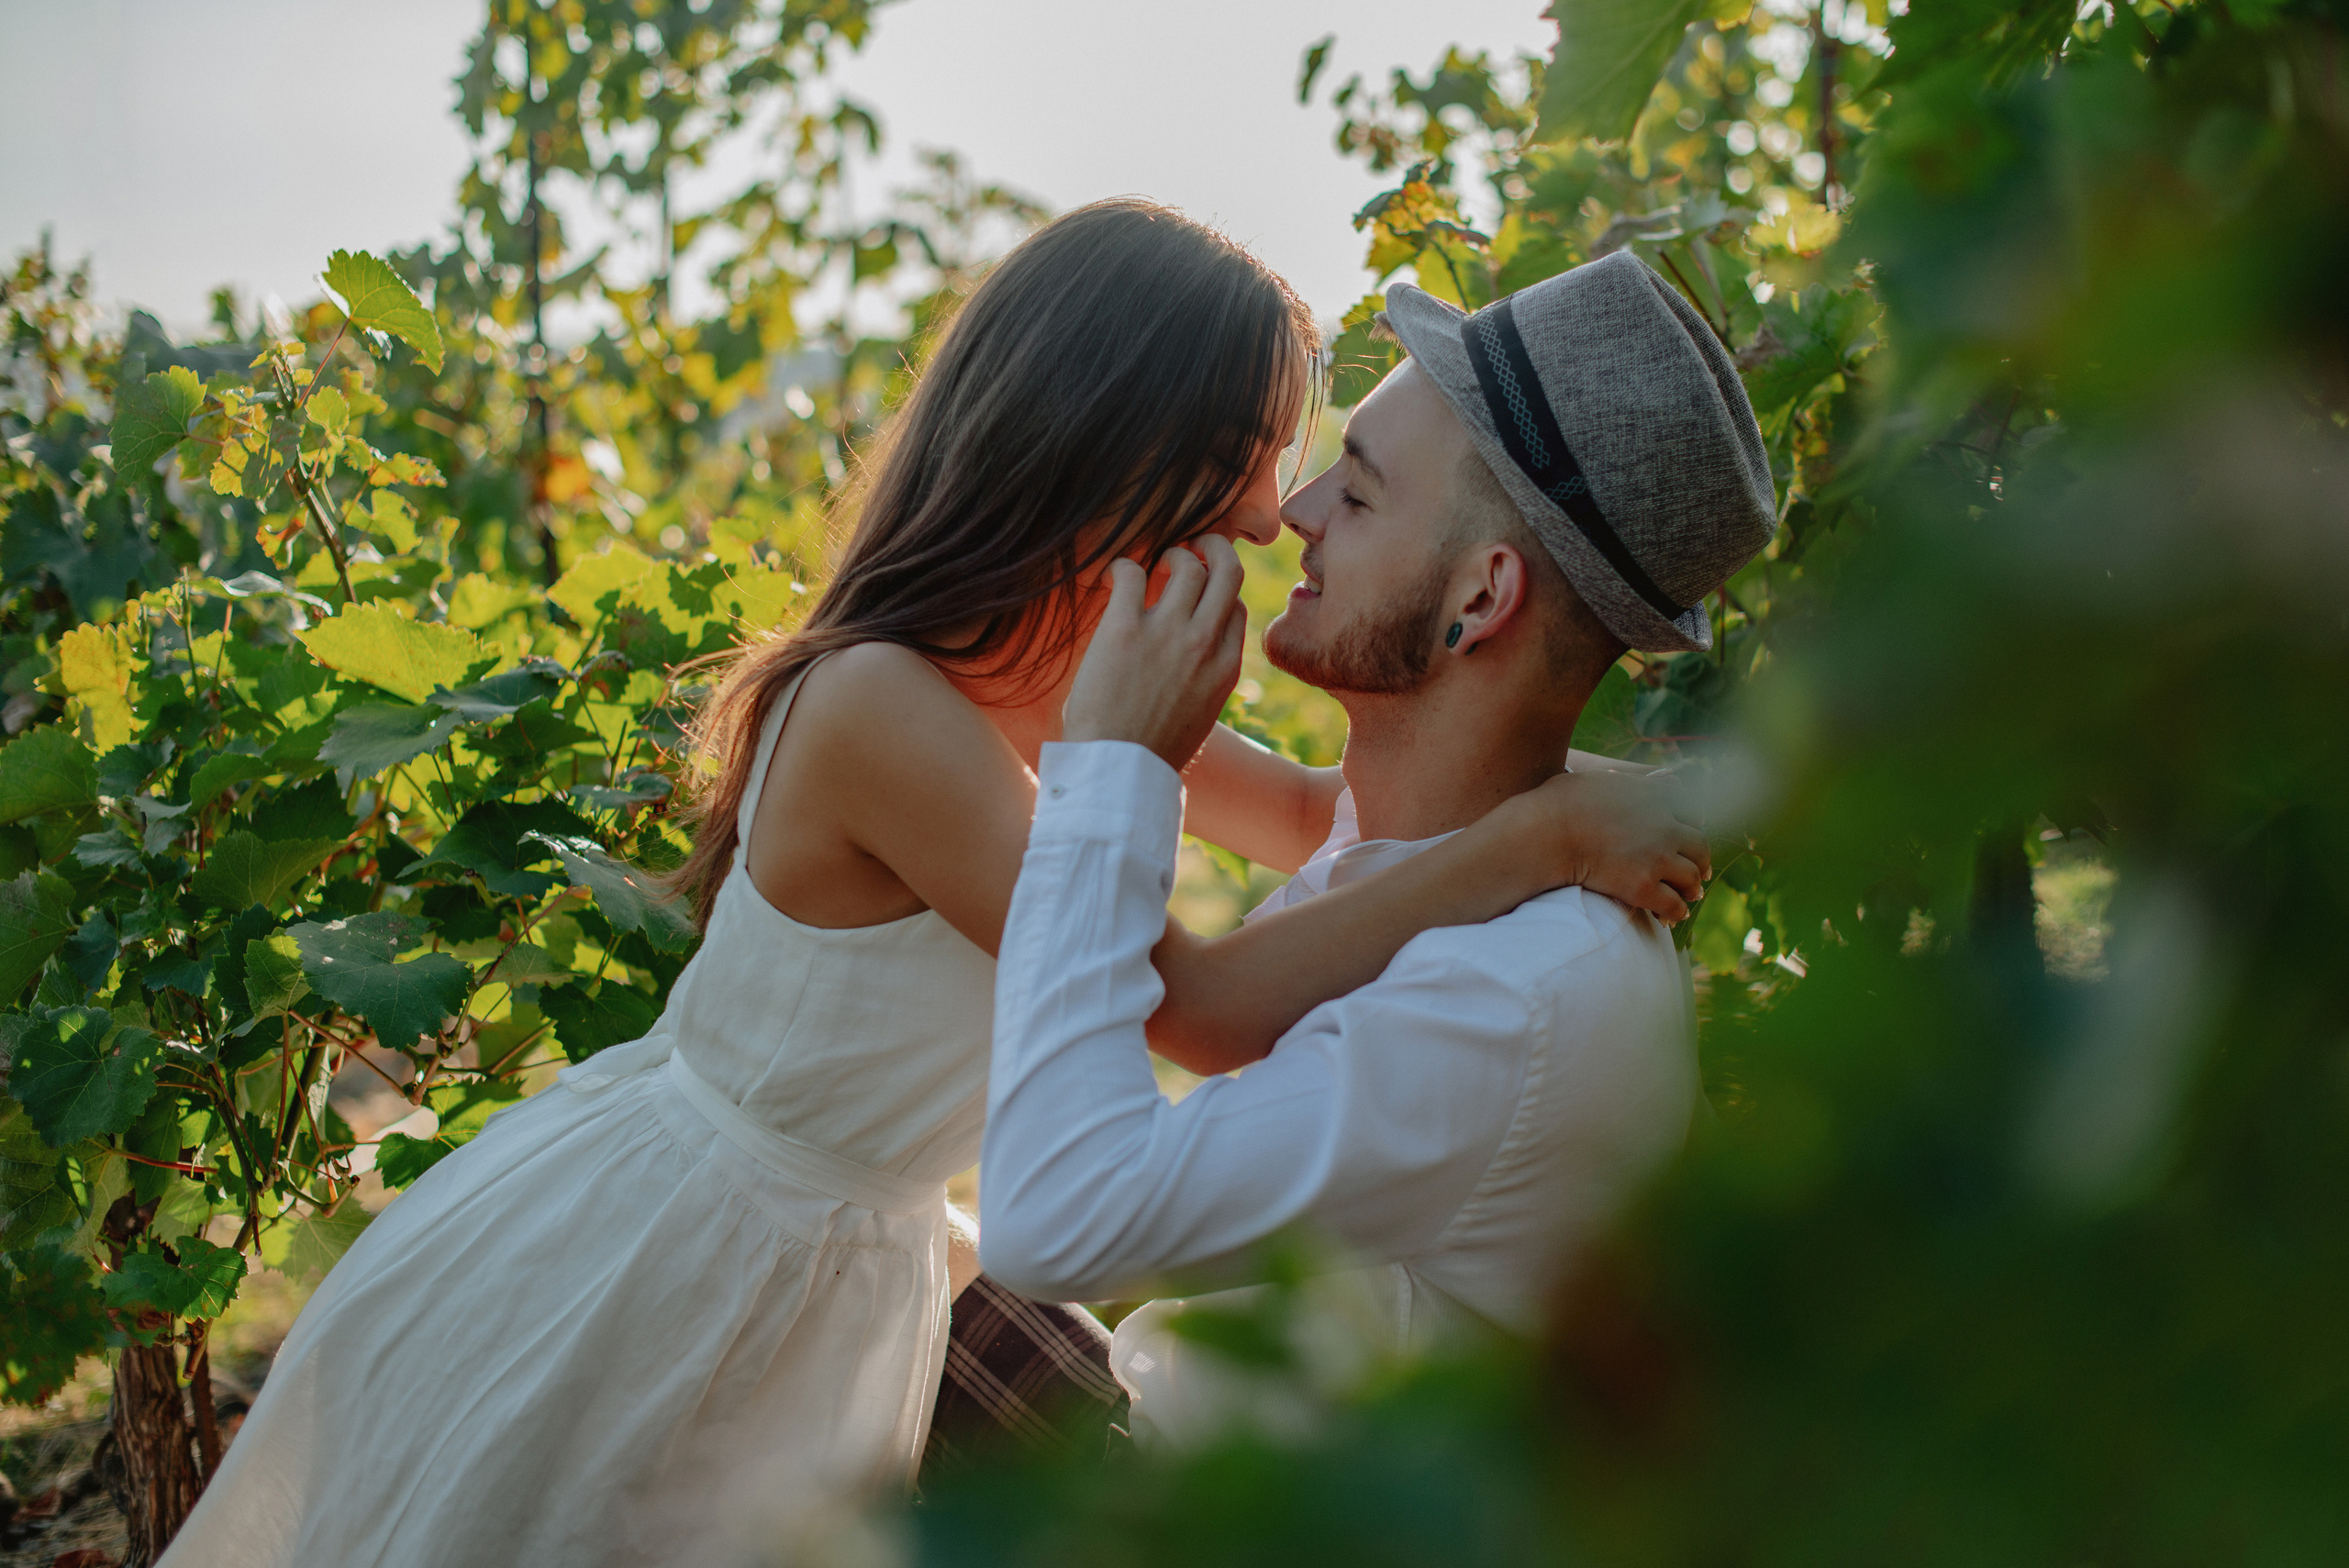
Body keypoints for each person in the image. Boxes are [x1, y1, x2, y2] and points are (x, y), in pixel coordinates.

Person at [160, 206, 1709, 1568]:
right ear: (1113, 441)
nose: (1268, 514)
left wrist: (1563, 791)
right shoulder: (889, 711)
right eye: (1249, 462)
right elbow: (1194, 1007)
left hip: (849, 1249)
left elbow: (1325, 816)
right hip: (702, 1244)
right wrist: (1536, 847)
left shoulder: (1072, 677)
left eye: (1302, 474)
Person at [978, 249, 1778, 1447]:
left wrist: (1116, 771)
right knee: (868, 1271)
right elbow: (1055, 696)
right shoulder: (1470, 831)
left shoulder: (1513, 997)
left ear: (1480, 598)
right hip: (1179, 1440)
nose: (1287, 517)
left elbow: (1051, 1217)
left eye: (1353, 496)